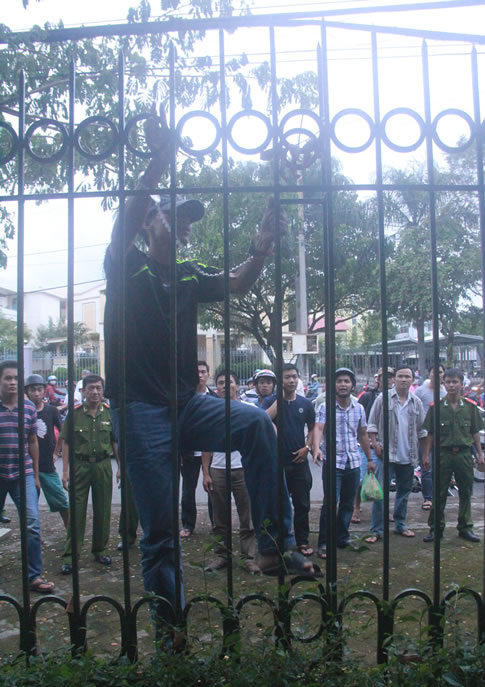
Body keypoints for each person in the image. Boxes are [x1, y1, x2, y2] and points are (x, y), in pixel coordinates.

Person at [103, 120, 316, 633]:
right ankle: (171, 635)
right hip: (140, 412)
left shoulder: (188, 274)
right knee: (160, 536)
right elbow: (130, 211)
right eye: (173, 216)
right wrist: (159, 161)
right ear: (146, 224)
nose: (185, 225)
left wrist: (261, 248)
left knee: (255, 425)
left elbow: (238, 281)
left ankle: (273, 544)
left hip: (186, 403)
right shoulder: (125, 265)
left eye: (188, 220)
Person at [0, 360, 55, 593]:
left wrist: (35, 476)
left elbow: (32, 441)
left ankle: (34, 576)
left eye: (16, 378)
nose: (12, 382)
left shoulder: (29, 408)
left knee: (32, 524)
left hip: (23, 473)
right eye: (8, 378)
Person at [60, 374, 120, 574]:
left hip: (103, 465)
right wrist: (65, 471)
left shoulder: (109, 413)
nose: (95, 392)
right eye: (91, 388)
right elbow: (66, 443)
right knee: (76, 512)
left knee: (103, 509)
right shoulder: (75, 413)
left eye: (98, 388)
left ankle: (100, 549)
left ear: (103, 391)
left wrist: (120, 466)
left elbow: (115, 442)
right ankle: (71, 556)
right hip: (80, 466)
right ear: (83, 391)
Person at [201, 371, 260, 574]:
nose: (225, 385)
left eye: (229, 382)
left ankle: (248, 557)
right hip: (218, 469)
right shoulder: (211, 412)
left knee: (247, 517)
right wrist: (206, 473)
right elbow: (206, 444)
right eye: (220, 383)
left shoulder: (249, 409)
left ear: (238, 385)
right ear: (216, 387)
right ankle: (222, 556)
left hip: (243, 469)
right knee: (220, 518)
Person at [313, 368, 374, 557]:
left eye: (346, 381)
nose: (342, 384)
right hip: (333, 463)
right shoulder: (325, 407)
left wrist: (369, 459)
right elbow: (319, 428)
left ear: (352, 385)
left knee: (348, 504)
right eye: (339, 381)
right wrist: (316, 448)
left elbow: (362, 434)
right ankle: (324, 542)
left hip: (353, 462)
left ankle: (342, 537)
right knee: (330, 503)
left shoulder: (359, 408)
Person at [422, 368, 484, 543]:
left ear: (461, 384)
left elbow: (475, 433)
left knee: (465, 491)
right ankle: (436, 528)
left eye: (455, 382)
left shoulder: (470, 407)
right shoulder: (436, 407)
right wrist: (426, 455)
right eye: (448, 381)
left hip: (464, 454)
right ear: (444, 383)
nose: (451, 385)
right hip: (443, 454)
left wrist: (480, 455)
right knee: (439, 492)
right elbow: (430, 434)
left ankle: (465, 527)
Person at [366, 366, 427, 543]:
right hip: (386, 454)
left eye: (407, 376)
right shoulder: (383, 399)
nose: (403, 379)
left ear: (412, 380)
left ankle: (400, 524)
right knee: (379, 494)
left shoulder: (416, 402)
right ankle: (377, 529)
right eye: (400, 376)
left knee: (404, 493)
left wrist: (425, 454)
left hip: (408, 454)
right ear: (394, 379)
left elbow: (422, 431)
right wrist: (375, 444)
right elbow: (372, 424)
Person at [262, 363, 316, 557]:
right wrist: (279, 399)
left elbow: (313, 428)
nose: (291, 380)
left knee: (302, 504)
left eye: (294, 376)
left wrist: (307, 447)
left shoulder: (305, 403)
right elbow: (263, 420)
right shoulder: (270, 401)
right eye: (287, 377)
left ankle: (302, 541)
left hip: (299, 462)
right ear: (280, 380)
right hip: (277, 463)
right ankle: (279, 541)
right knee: (277, 504)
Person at [24, 374, 68, 528]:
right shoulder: (23, 411)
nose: (36, 393)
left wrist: (56, 451)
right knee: (29, 507)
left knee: (61, 501)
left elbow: (63, 432)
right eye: (33, 390)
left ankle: (71, 534)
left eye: (39, 389)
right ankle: (31, 535)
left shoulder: (51, 411)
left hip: (47, 465)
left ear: (44, 391)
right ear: (27, 392)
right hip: (27, 466)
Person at [180, 360, 216, 539]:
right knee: (188, 490)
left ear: (208, 375)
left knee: (213, 487)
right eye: (197, 372)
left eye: (203, 372)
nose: (200, 375)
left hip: (211, 450)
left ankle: (216, 522)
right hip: (189, 452)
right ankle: (188, 524)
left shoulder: (215, 398)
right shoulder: (184, 398)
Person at [352, 367, 394, 522]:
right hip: (368, 444)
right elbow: (359, 419)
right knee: (361, 478)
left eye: (390, 376)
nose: (388, 379)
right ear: (378, 378)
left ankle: (383, 510)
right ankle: (356, 508)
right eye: (384, 376)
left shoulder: (395, 397)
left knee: (384, 481)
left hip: (388, 444)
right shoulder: (367, 396)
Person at [414, 364, 446, 511]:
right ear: (429, 374)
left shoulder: (445, 391)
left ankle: (439, 496)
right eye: (434, 372)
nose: (438, 375)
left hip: (442, 436)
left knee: (441, 468)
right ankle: (428, 498)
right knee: (427, 467)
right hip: (425, 436)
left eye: (440, 372)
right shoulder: (420, 391)